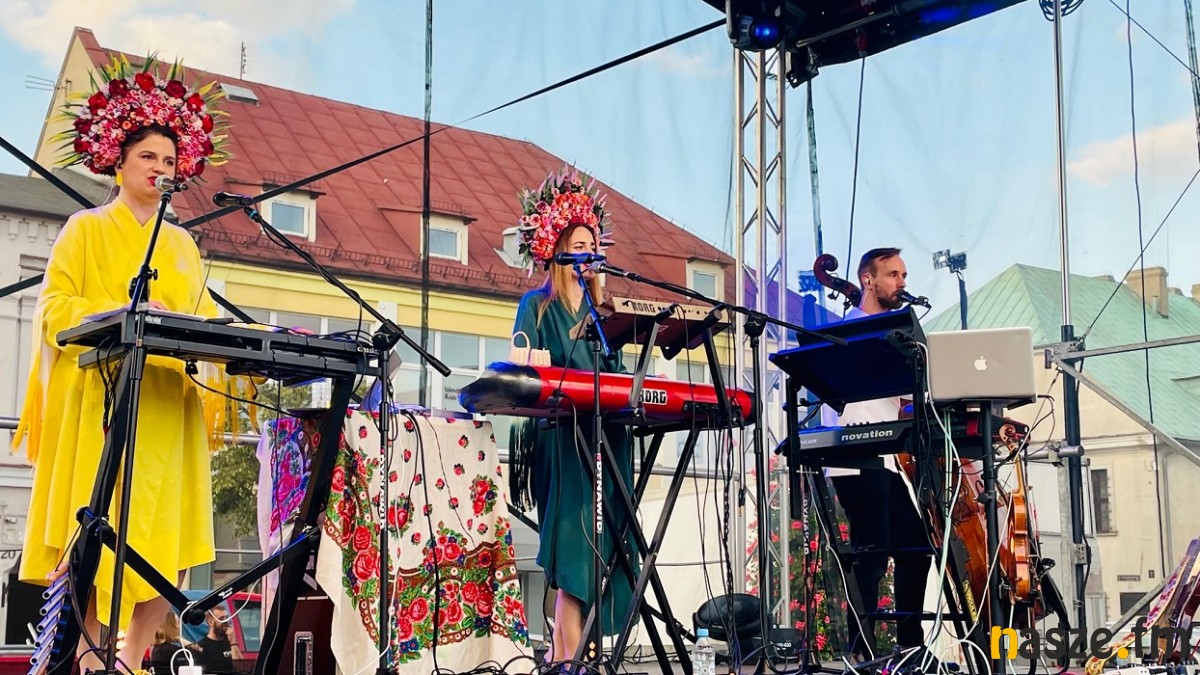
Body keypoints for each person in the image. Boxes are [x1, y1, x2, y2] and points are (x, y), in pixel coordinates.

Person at [13, 54, 230, 672]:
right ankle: (87, 660)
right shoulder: (84, 229)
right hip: (100, 407)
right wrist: (117, 310)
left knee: (163, 539)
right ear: (119, 163)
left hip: (165, 407)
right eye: (148, 157)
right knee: (92, 529)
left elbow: (203, 319)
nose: (161, 168)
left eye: (170, 161)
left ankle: (133, 659)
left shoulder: (183, 245)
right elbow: (54, 310)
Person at [508, 165, 638, 663]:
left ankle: (572, 657)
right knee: (572, 550)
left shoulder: (605, 314)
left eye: (593, 245)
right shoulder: (537, 306)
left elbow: (619, 375)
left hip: (607, 436)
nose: (588, 253)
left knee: (604, 546)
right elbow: (526, 369)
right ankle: (569, 658)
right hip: (563, 439)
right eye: (579, 245)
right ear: (559, 250)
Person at [822, 247, 932, 660]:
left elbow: (904, 404)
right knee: (872, 554)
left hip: (891, 462)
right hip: (855, 461)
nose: (902, 282)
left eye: (904, 275)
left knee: (915, 550)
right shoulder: (849, 332)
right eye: (893, 274)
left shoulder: (899, 335)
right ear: (868, 280)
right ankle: (861, 652)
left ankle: (909, 647)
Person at [193, 607, 242, 673]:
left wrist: (233, 643)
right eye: (221, 618)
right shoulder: (202, 646)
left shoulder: (229, 642)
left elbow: (240, 667)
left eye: (226, 618)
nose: (225, 621)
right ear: (210, 622)